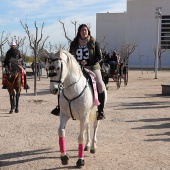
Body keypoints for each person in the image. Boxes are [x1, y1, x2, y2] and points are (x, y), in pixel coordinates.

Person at [70, 24, 106, 120]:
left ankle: (101, 111)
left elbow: (99, 56)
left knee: (100, 85)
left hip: (93, 67)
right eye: (82, 30)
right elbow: (70, 57)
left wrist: (88, 62)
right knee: (65, 82)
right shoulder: (74, 44)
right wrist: (76, 62)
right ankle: (61, 107)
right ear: (79, 32)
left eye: (85, 30)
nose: (84, 32)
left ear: (88, 31)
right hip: (78, 68)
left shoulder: (94, 43)